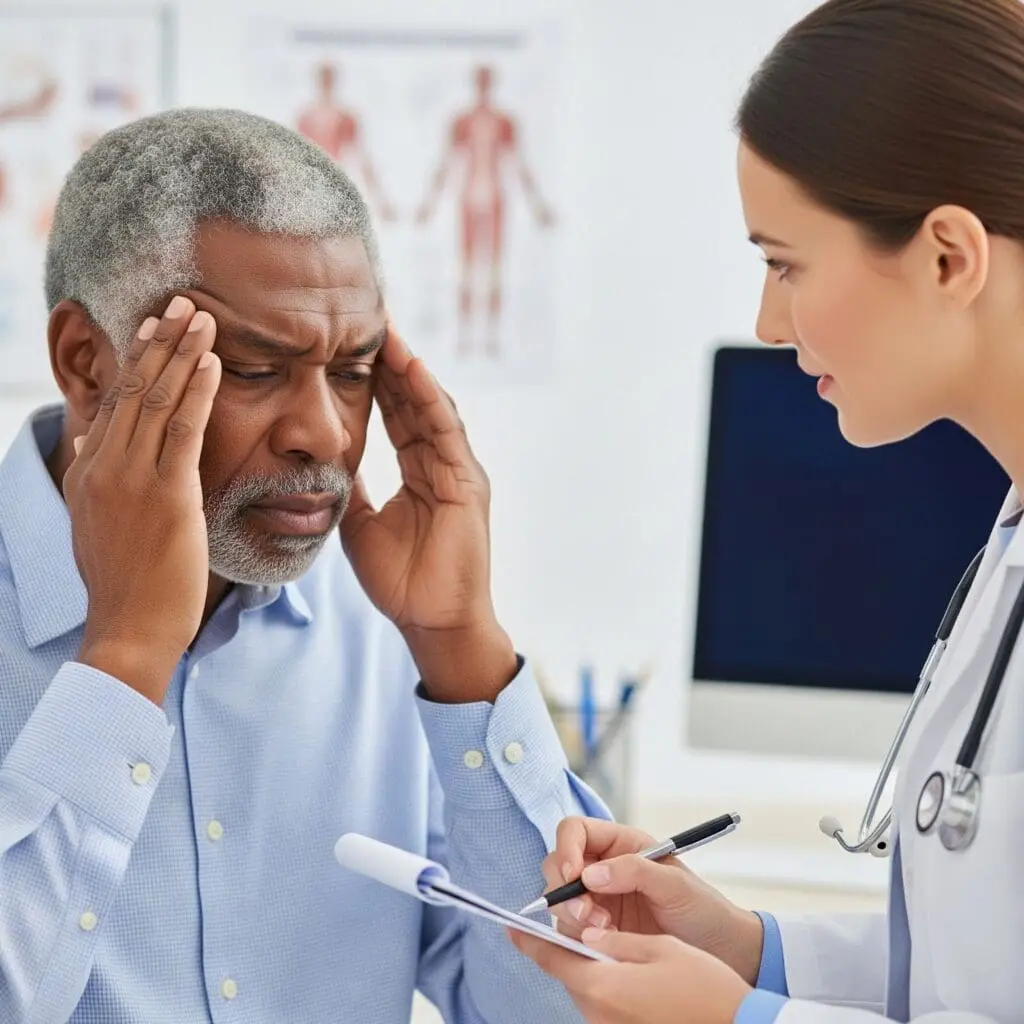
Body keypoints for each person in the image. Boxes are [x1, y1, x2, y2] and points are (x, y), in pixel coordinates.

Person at [0, 107, 605, 1023]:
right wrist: (123, 660)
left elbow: (560, 1011)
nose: (326, 433)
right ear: (88, 362)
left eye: (355, 370)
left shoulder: (384, 631)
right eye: (252, 369)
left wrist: (461, 653)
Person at [510, 0, 1024, 1020]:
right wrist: (750, 951)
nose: (766, 322)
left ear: (947, 258)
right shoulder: (1005, 546)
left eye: (784, 262)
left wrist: (741, 1018)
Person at [416, 66, 554, 358]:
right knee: (466, 267)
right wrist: (429, 203)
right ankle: (465, 337)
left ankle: (491, 337)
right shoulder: (461, 121)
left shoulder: (505, 121)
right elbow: (446, 163)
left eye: (486, 80)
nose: (483, 85)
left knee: (493, 268)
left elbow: (519, 164)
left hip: (494, 200)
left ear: (491, 83)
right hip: (468, 199)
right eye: (480, 80)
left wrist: (537, 206)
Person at [296, 62, 396, 222]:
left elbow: (362, 159)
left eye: (328, 78)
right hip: (311, 190)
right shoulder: (305, 118)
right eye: (324, 78)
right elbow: (296, 160)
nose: (326, 83)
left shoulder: (344, 117)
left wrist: (381, 200)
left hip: (333, 188)